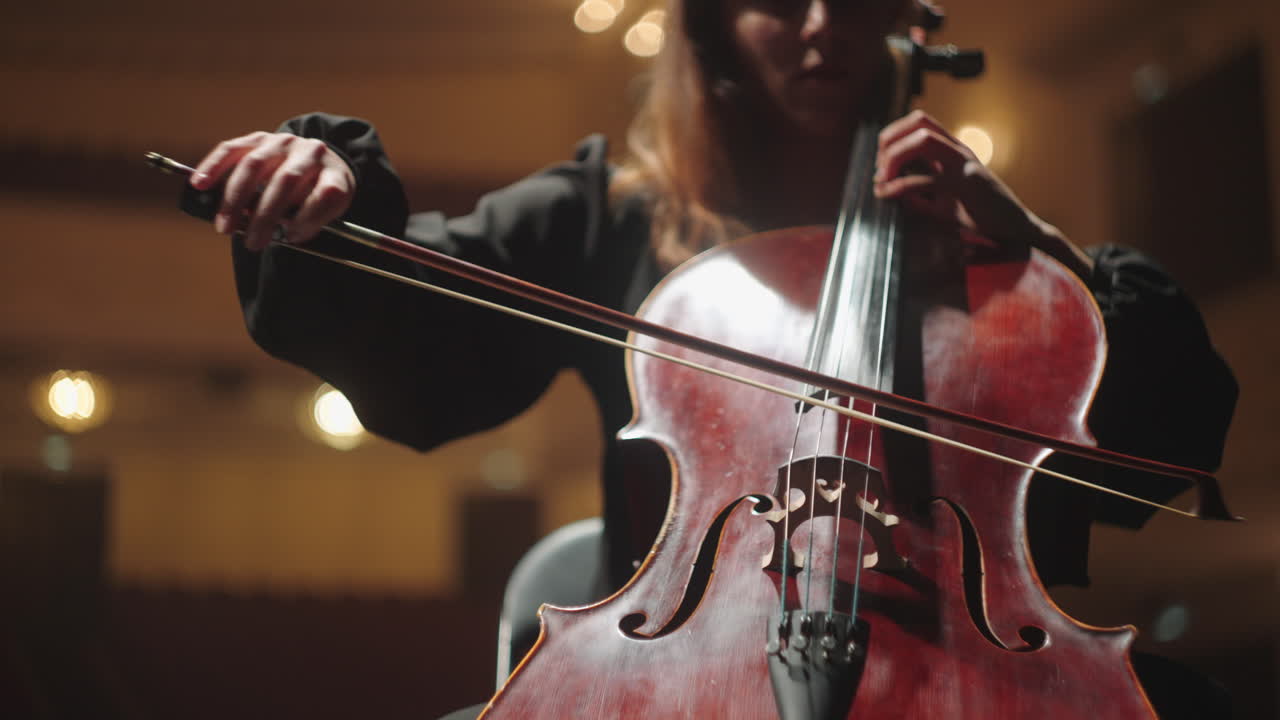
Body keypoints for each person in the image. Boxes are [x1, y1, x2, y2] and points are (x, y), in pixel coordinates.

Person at [188, 0, 1237, 717]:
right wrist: (326, 194)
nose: (823, 28)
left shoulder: (972, 241)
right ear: (711, 21)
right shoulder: (616, 212)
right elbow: (420, 330)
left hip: (970, 656)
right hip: (671, 666)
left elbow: (1157, 453)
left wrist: (1034, 249)